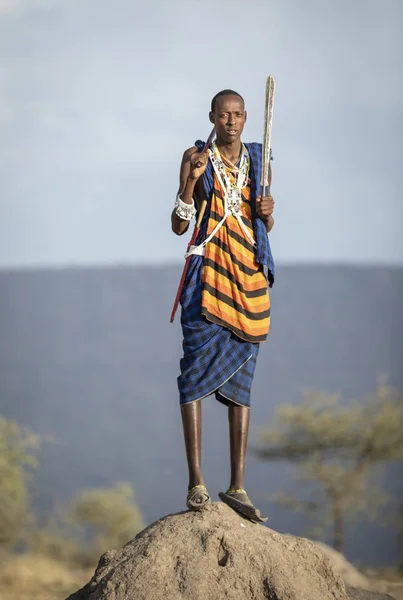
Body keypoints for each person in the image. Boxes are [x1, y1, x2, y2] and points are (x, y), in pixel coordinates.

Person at [171, 89, 275, 522]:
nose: (230, 121)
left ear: (247, 118)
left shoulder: (258, 157)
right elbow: (179, 225)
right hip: (207, 276)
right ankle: (196, 483)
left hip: (247, 280)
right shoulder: (195, 156)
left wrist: (269, 211)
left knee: (243, 382)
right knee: (193, 371)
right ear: (212, 116)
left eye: (237, 115)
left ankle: (237, 486)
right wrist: (190, 181)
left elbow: (263, 220)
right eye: (223, 115)